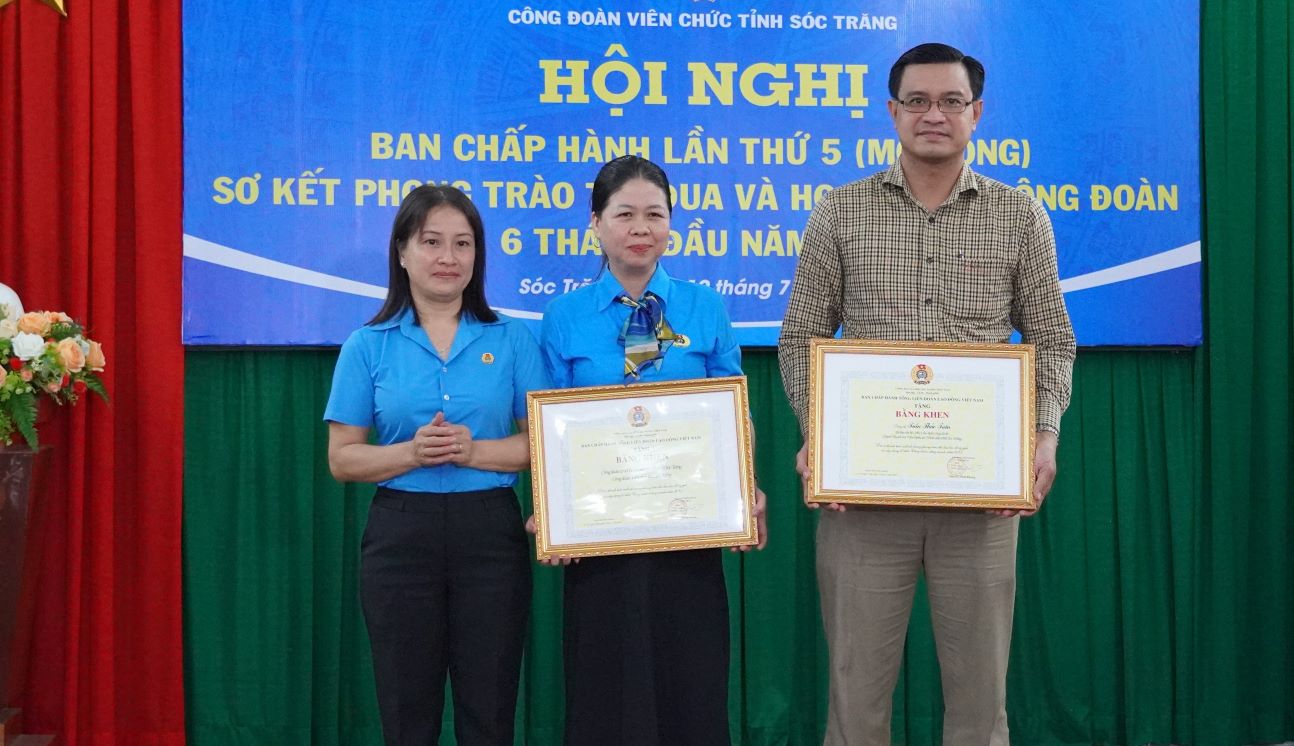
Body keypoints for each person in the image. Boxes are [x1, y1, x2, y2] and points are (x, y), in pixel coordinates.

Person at [777, 43, 1076, 745]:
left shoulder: (1020, 215)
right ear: (891, 112)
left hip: (980, 497)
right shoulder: (839, 212)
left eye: (950, 101)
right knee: (855, 697)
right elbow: (799, 339)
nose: (932, 115)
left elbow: (1053, 341)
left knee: (978, 704)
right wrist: (820, 434)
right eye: (916, 101)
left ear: (977, 112)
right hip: (863, 498)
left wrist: (1044, 433)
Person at [539, 155, 767, 745]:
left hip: (689, 530)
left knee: (690, 689)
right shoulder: (564, 317)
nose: (640, 228)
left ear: (671, 224)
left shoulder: (703, 306)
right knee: (602, 694)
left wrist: (747, 491)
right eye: (625, 214)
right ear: (595, 223)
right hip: (597, 535)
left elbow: (732, 412)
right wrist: (550, 509)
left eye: (654, 214)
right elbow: (548, 427)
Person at [324, 185, 549, 745]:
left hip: (490, 532)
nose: (448, 258)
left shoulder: (513, 338)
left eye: (463, 244)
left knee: (490, 707)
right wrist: (409, 454)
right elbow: (342, 458)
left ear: (478, 256)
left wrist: (475, 452)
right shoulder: (366, 345)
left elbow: (545, 444)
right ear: (402, 251)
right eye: (431, 242)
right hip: (401, 533)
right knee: (406, 711)